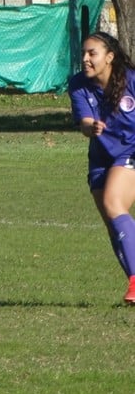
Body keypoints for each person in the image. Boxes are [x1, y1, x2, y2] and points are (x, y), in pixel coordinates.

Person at [68, 31, 135, 304]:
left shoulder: (131, 80)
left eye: (92, 53)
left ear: (109, 58)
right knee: (112, 224)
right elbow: (84, 122)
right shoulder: (78, 84)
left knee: (113, 203)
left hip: (130, 152)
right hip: (100, 159)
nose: (85, 59)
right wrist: (91, 127)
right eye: (83, 53)